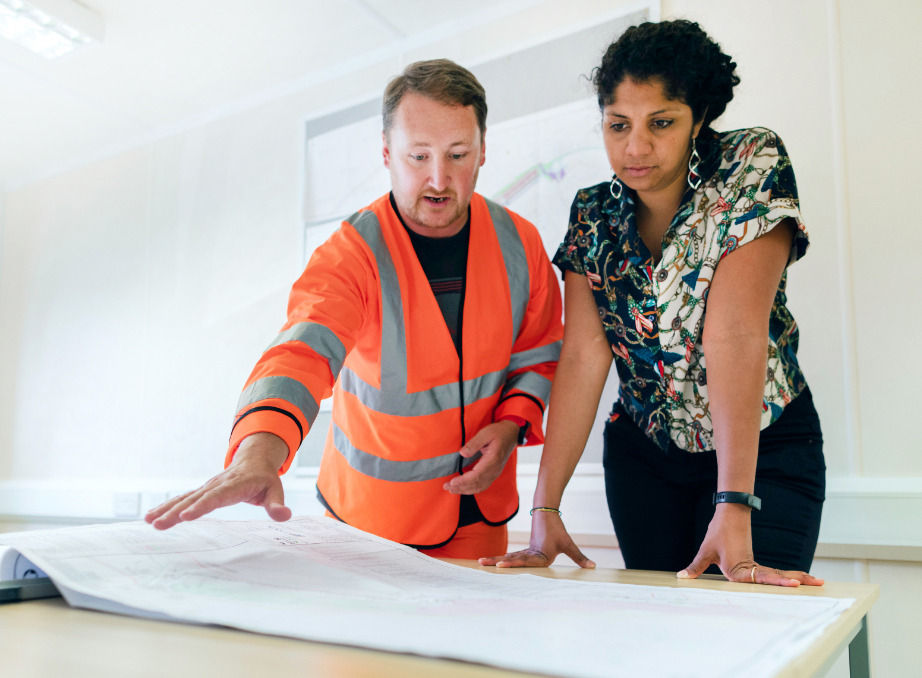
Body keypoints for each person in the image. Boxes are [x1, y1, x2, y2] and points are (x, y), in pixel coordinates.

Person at [145, 59, 564, 560]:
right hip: (369, 524)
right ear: (387, 153)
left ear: (483, 152)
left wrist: (513, 422)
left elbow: (537, 354)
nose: (438, 178)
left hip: (480, 515)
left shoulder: (522, 243)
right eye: (418, 156)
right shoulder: (350, 254)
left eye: (457, 154)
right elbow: (302, 352)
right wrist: (258, 453)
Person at [480, 20, 826, 587]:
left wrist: (734, 502)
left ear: (699, 118)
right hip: (644, 461)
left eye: (661, 123)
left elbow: (733, 334)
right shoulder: (593, 213)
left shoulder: (749, 164)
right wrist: (545, 509)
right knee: (662, 641)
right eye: (618, 125)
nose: (635, 147)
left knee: (743, 636)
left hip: (762, 452)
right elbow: (585, 357)